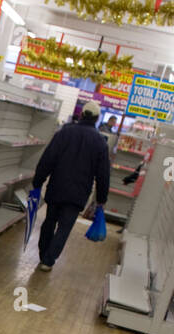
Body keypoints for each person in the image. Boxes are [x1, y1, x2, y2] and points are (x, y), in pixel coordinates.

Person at [30, 99, 111, 272]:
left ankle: (43, 253)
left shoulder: (64, 133)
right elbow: (103, 174)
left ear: (81, 114)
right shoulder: (100, 142)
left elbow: (48, 158)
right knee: (65, 228)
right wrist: (101, 198)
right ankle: (48, 260)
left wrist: (38, 180)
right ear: (97, 119)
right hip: (78, 193)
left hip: (57, 187)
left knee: (49, 221)